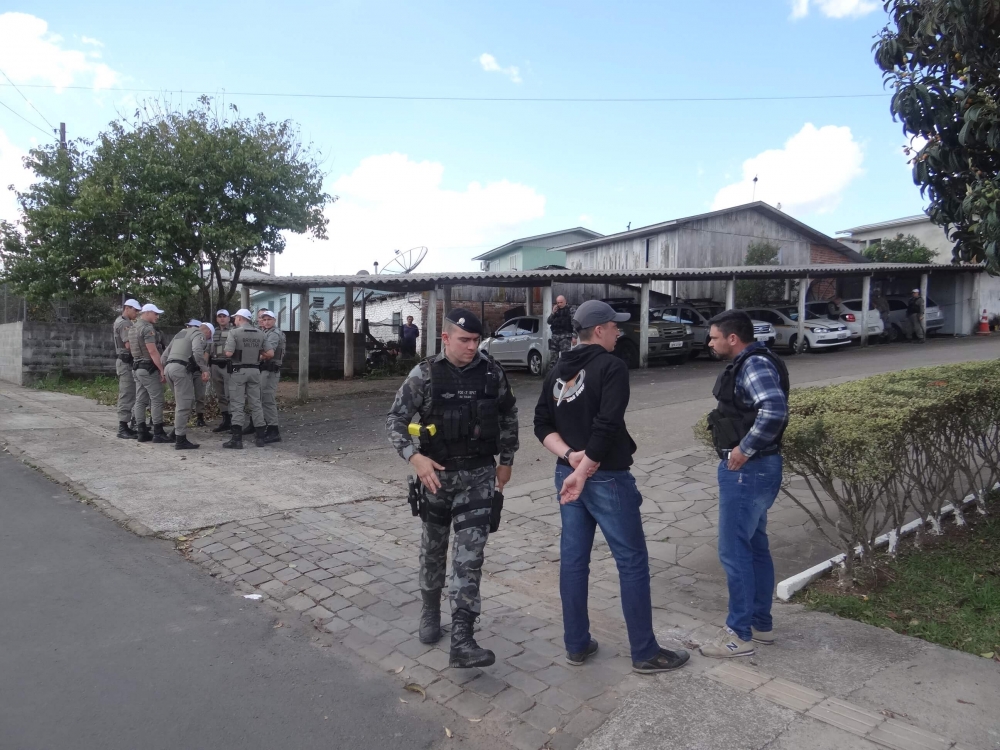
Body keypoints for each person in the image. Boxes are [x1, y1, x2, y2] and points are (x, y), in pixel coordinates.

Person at [533, 300, 690, 675]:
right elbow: (605, 427)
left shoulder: (557, 369)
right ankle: (645, 652)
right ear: (599, 329)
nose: (620, 332)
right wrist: (583, 469)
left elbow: (541, 424)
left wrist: (570, 459)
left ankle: (577, 644)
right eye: (615, 326)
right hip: (603, 478)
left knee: (573, 562)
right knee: (632, 561)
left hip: (569, 473)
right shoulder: (611, 367)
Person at [386, 309, 519, 669]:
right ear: (446, 339)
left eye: (476, 340)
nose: (472, 347)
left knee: (469, 557)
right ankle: (430, 611)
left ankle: (463, 636)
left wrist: (506, 460)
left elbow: (508, 414)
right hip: (436, 479)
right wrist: (415, 458)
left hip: (478, 476)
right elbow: (395, 420)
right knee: (434, 549)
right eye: (465, 340)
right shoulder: (425, 374)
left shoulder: (492, 372)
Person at [702, 310, 789, 658]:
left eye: (714, 337)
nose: (710, 342)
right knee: (753, 548)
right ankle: (760, 626)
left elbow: (773, 410)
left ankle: (738, 635)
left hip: (748, 471)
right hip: (758, 469)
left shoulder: (753, 364)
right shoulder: (757, 361)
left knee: (734, 551)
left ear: (733, 338)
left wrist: (743, 450)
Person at [222, 308, 270, 449]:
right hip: (255, 371)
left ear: (240, 318)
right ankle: (260, 438)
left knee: (237, 403)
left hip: (239, 371)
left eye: (235, 318)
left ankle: (237, 440)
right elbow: (270, 352)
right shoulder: (260, 333)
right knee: (256, 403)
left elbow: (229, 353)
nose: (234, 320)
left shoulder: (234, 332)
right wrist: (257, 354)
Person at [162, 321, 211, 450]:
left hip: (169, 368)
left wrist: (163, 370)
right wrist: (204, 369)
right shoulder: (198, 333)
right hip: (181, 370)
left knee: (180, 403)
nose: (206, 340)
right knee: (184, 406)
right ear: (207, 331)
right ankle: (180, 440)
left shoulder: (181, 333)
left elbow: (164, 355)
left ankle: (175, 432)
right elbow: (197, 351)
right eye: (208, 337)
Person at [127, 303, 171, 444]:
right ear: (147, 313)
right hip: (148, 368)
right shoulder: (147, 328)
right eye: (156, 313)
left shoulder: (133, 328)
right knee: (157, 399)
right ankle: (158, 432)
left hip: (137, 367)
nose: (157, 316)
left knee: (140, 400)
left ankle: (142, 431)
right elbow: (152, 351)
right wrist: (162, 369)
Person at [113, 299, 142, 439]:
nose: (137, 313)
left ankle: (129, 425)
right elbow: (129, 345)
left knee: (133, 394)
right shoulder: (124, 323)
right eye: (135, 310)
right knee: (127, 393)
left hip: (127, 362)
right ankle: (122, 427)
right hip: (126, 362)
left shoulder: (126, 322)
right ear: (127, 308)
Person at [258, 309, 286, 443]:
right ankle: (269, 427)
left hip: (270, 370)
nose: (266, 321)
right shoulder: (265, 332)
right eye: (264, 319)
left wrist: (253, 356)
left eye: (269, 319)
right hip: (265, 370)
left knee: (267, 399)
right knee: (263, 398)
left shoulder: (274, 334)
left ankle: (273, 430)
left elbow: (270, 353)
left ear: (274, 320)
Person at [210, 310, 234, 433]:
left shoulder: (234, 331)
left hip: (228, 364)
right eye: (219, 316)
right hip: (215, 364)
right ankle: (226, 420)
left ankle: (234, 420)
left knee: (230, 393)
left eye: (224, 316)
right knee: (220, 394)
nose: (222, 319)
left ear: (229, 318)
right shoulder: (214, 331)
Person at [185, 319, 209, 427]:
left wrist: (204, 369)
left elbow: (204, 356)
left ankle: (200, 417)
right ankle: (185, 418)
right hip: (187, 370)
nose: (189, 329)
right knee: (186, 396)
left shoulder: (202, 339)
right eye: (189, 326)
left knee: (200, 395)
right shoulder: (183, 339)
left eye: (192, 326)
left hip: (198, 370)